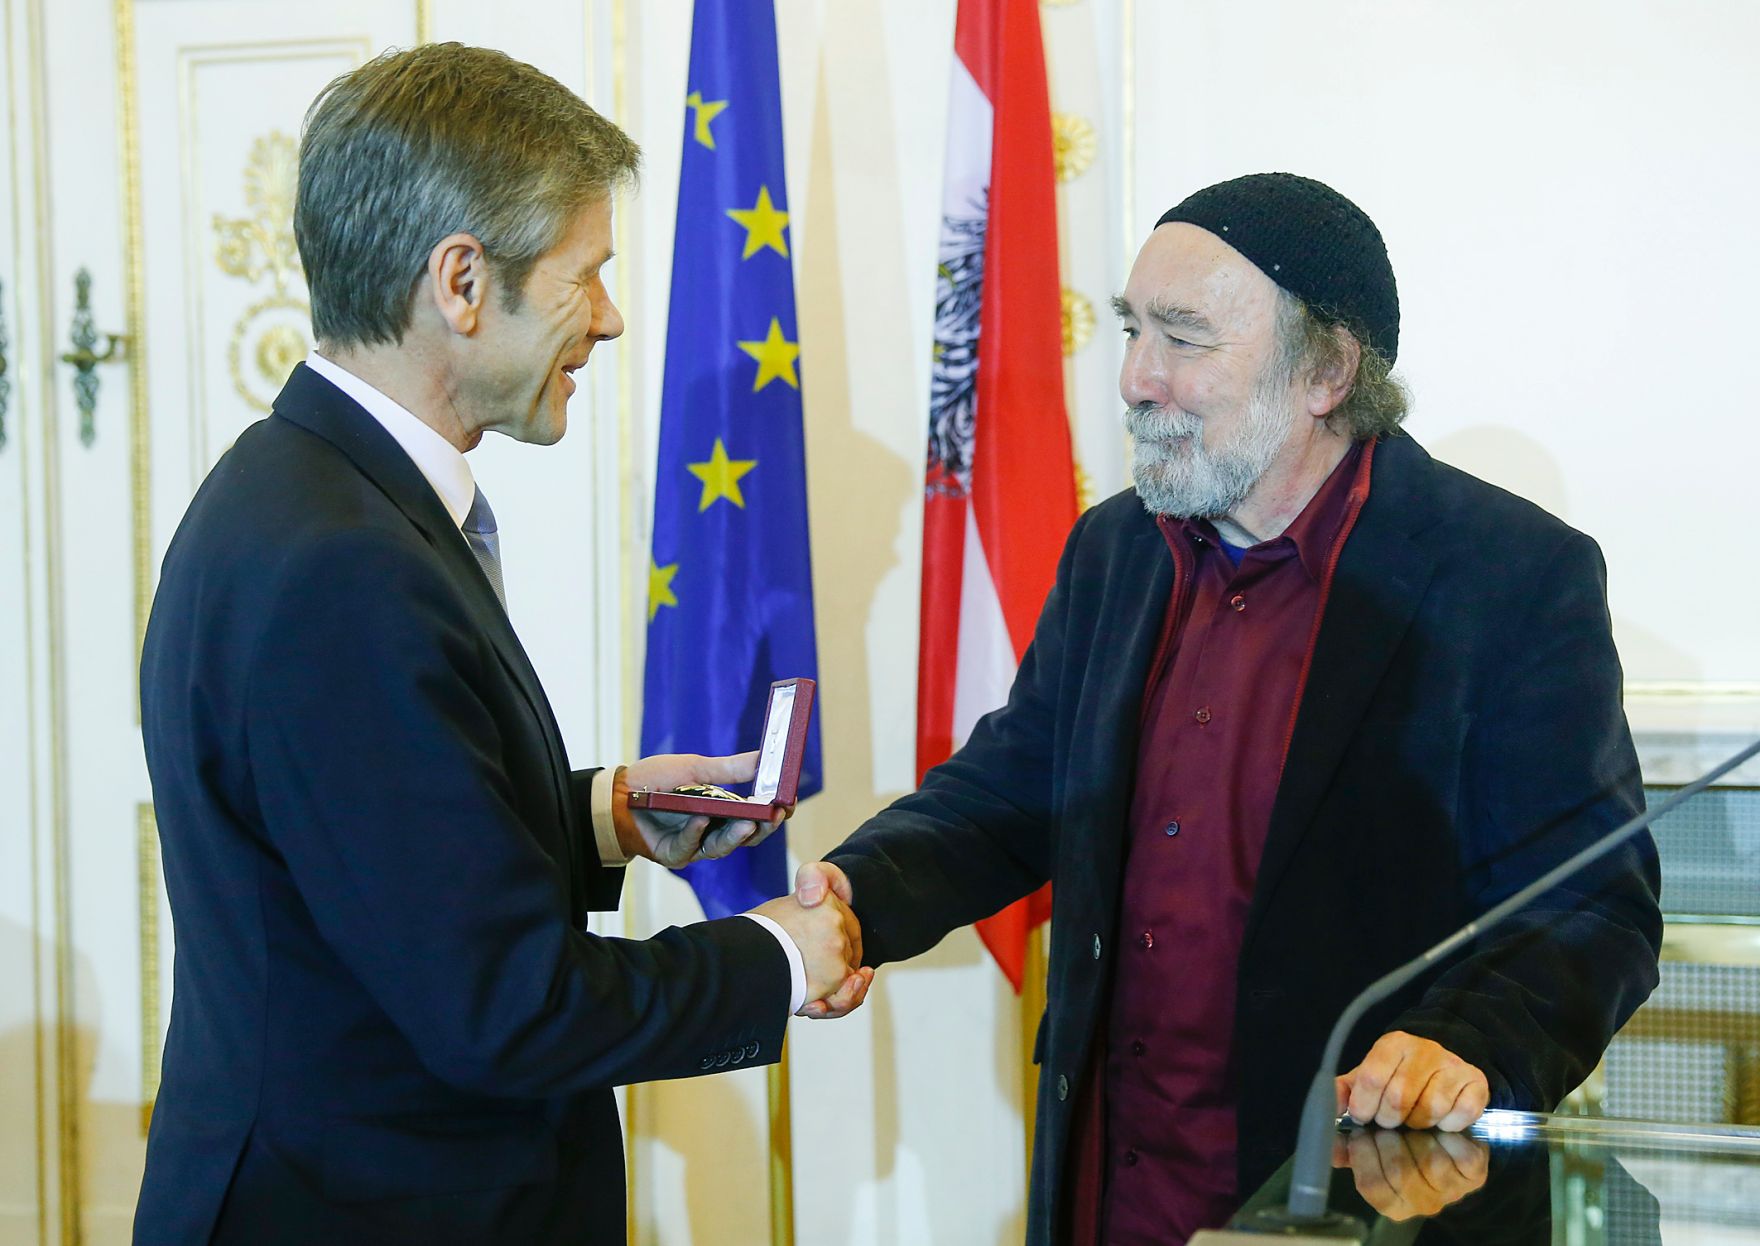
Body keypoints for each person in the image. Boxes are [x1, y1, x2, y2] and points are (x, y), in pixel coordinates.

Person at [796, 173, 1661, 1244]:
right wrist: (860, 891)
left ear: (1326, 371)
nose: (1133, 377)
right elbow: (1017, 785)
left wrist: (1467, 1046)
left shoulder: (1506, 575)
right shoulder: (1115, 549)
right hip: (1116, 1190)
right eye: (1129, 329)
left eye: (1182, 337)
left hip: (1348, 1201)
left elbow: (1589, 908)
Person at [136, 43, 868, 1246]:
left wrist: (604, 815)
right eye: (588, 275)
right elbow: (503, 1008)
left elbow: (371, 855)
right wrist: (774, 958)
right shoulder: (342, 565)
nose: (615, 319)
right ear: (463, 283)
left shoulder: (311, 491)